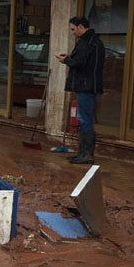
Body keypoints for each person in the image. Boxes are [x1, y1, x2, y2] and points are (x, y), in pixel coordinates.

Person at [58, 16, 105, 164]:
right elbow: (85, 60)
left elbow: (79, 63)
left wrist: (65, 60)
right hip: (88, 84)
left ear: (80, 27)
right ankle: (82, 153)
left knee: (85, 119)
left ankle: (86, 154)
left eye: (73, 29)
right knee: (84, 118)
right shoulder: (94, 41)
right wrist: (70, 57)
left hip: (85, 85)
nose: (72, 32)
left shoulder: (87, 42)